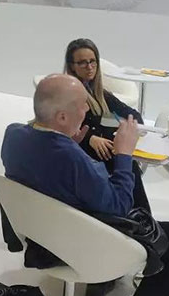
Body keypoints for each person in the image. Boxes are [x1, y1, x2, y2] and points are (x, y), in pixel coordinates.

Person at [1, 74, 169, 296]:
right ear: (62, 117)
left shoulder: (13, 135)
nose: (87, 109)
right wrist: (124, 154)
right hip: (80, 242)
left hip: (38, 235)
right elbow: (120, 206)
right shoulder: (72, 159)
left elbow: (46, 162)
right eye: (82, 105)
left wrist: (69, 141)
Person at [63, 39, 151, 216]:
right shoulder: (66, 93)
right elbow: (62, 128)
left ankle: (141, 216)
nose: (89, 67)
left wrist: (125, 129)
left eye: (93, 61)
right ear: (72, 66)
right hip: (79, 154)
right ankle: (143, 218)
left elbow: (132, 114)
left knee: (128, 162)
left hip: (102, 150)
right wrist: (90, 138)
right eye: (83, 63)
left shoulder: (99, 93)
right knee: (129, 165)